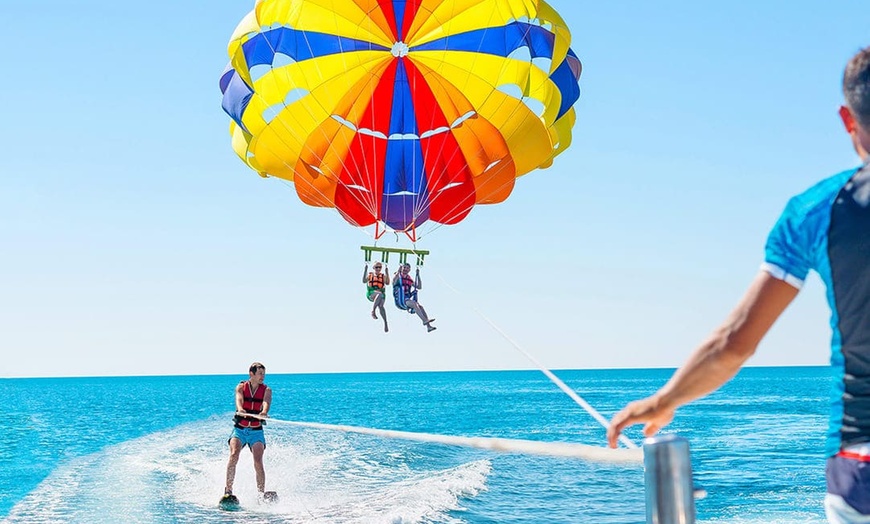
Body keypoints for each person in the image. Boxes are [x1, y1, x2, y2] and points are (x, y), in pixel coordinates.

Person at [606, 46, 870, 523]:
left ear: (847, 118)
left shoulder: (815, 212)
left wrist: (663, 401)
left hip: (861, 470)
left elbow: (733, 343)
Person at [223, 362, 273, 503]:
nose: (262, 376)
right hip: (240, 429)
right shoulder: (241, 387)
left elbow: (266, 402)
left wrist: (264, 412)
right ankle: (228, 490)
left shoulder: (267, 390)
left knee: (258, 460)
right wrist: (241, 409)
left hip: (256, 431)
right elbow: (239, 399)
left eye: (264, 373)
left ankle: (261, 494)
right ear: (252, 374)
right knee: (234, 455)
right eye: (260, 373)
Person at [393, 262, 436, 332]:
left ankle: (429, 327)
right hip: (400, 300)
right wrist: (398, 271)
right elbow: (394, 281)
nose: (405, 269)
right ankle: (425, 321)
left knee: (420, 307)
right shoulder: (398, 277)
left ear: (409, 270)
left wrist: (418, 275)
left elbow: (419, 287)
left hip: (407, 299)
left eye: (407, 268)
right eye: (404, 268)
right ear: (401, 268)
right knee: (414, 304)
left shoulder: (409, 279)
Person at [364, 261, 390, 332]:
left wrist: (387, 272)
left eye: (380, 267)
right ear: (373, 268)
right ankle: (373, 311)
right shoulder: (370, 275)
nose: (378, 269)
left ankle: (385, 323)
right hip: (371, 293)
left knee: (381, 306)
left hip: (381, 292)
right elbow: (364, 281)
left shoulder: (383, 276)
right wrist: (365, 270)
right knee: (379, 294)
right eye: (376, 267)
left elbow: (387, 283)